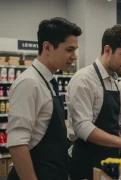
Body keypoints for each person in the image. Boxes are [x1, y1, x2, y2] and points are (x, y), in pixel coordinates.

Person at [6, 17, 82, 180]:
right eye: (69, 49)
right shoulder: (29, 83)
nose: (74, 56)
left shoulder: (47, 82)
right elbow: (17, 144)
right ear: (47, 47)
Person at [67, 24, 121, 180]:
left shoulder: (114, 80)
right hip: (87, 160)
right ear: (108, 50)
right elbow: (82, 127)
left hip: (110, 159)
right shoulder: (84, 79)